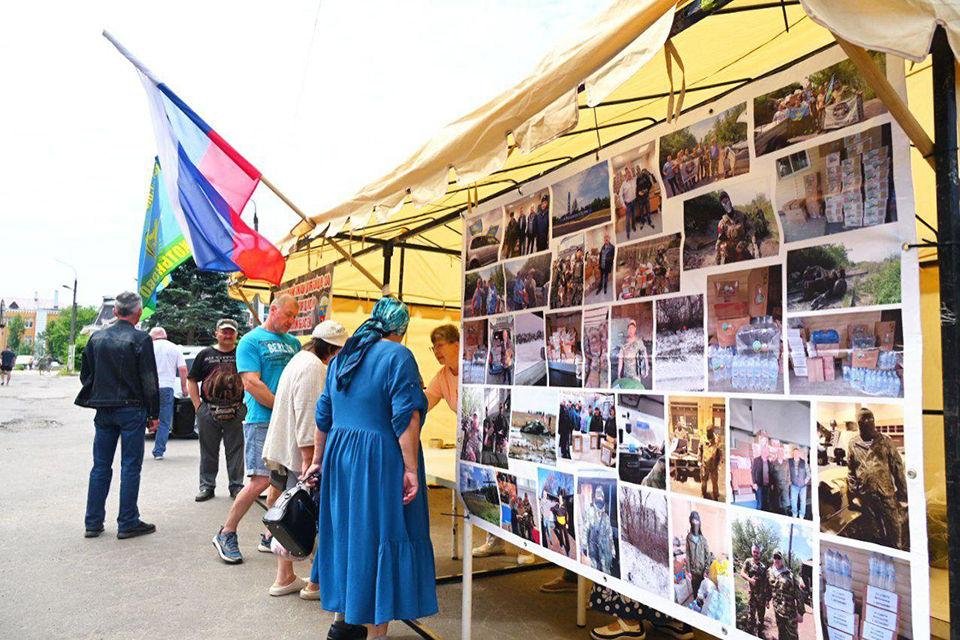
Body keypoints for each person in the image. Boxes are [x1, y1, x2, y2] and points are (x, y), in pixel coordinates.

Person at [305, 297, 438, 639]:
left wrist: (318, 461)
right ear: (401, 329)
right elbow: (405, 416)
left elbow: (323, 415)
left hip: (340, 454)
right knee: (379, 534)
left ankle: (342, 624)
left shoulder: (343, 356)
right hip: (379, 458)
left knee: (349, 536)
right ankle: (375, 633)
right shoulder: (398, 356)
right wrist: (410, 469)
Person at [212, 294, 301, 565]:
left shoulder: (295, 343)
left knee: (282, 479)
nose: (291, 321)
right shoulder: (251, 341)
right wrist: (283, 408)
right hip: (262, 419)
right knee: (260, 480)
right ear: (272, 310)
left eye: (295, 317)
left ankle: (268, 534)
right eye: (288, 315)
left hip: (288, 421)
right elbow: (251, 383)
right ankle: (226, 533)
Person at [262, 320, 347, 599]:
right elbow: (309, 415)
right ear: (332, 350)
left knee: (288, 513)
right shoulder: (314, 367)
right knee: (314, 517)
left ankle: (284, 576)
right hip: (300, 454)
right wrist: (313, 461)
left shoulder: (299, 358)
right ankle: (315, 582)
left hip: (285, 449)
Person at [76, 291, 159, 539]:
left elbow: (86, 375)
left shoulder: (96, 337)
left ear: (114, 311)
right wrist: (154, 413)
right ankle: (127, 521)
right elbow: (149, 380)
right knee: (130, 466)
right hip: (132, 409)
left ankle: (93, 522)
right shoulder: (141, 339)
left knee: (100, 465)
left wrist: (99, 393)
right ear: (138, 313)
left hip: (104, 409)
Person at [189, 319, 246, 502]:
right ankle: (207, 486)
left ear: (236, 335)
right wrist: (198, 406)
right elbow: (192, 380)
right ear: (216, 334)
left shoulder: (242, 354)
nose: (228, 335)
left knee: (236, 450)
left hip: (236, 409)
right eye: (224, 332)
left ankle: (236, 486)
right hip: (209, 409)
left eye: (231, 332)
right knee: (208, 450)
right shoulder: (205, 354)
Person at [846, 407, 908, 549]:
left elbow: (897, 468)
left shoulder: (885, 441)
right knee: (873, 528)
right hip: (866, 494)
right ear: (858, 423)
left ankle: (896, 551)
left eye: (870, 419)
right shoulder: (853, 444)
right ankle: (879, 550)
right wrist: (854, 493)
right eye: (863, 420)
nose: (867, 422)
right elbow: (851, 471)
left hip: (885, 492)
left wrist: (903, 494)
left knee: (893, 525)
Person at [147, 327, 187, 460]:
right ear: (165, 336)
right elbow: (182, 369)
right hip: (166, 388)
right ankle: (158, 451)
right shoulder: (174, 348)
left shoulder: (148, 347)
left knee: (141, 418)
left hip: (148, 388)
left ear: (152, 337)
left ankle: (137, 450)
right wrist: (183, 387)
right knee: (164, 421)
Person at [768, 550, 804, 640]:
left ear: (782, 560)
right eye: (775, 557)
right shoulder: (769, 572)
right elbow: (768, 588)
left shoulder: (789, 575)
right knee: (781, 634)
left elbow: (798, 594)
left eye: (779, 558)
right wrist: (766, 599)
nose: (776, 560)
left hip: (789, 613)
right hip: (777, 611)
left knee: (792, 637)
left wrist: (800, 612)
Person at [739, 544, 770, 637]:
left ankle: (760, 635)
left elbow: (766, 584)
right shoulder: (748, 562)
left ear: (760, 553)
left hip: (762, 597)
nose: (756, 554)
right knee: (751, 617)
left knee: (761, 619)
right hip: (752, 596)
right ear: (752, 552)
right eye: (754, 552)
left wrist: (767, 600)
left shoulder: (763, 567)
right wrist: (750, 580)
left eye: (757, 552)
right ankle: (749, 635)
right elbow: (742, 573)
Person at [685, 511, 713, 597]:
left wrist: (706, 570)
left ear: (699, 522)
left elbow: (708, 556)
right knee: (695, 592)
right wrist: (688, 571)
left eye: (697, 521)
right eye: (693, 521)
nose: (695, 523)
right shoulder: (688, 538)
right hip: (693, 571)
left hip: (702, 571)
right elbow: (688, 555)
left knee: (703, 593)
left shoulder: (703, 540)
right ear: (690, 522)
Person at [615, 320, 648, 389]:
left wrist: (646, 369)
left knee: (636, 391)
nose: (631, 330)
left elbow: (645, 356)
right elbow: (620, 359)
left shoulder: (639, 342)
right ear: (627, 330)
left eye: (632, 328)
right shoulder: (624, 343)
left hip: (636, 375)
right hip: (626, 374)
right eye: (629, 328)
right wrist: (618, 374)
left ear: (635, 329)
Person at [700, 427, 722, 501]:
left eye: (710, 431)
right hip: (705, 465)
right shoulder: (703, 438)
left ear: (713, 431)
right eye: (708, 431)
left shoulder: (716, 440)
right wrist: (699, 460)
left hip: (714, 465)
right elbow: (700, 450)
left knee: (715, 482)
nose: (709, 433)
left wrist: (719, 464)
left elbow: (719, 453)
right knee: (703, 481)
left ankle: (715, 496)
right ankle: (703, 494)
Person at [789, 447, 810, 519]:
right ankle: (794, 514)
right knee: (793, 500)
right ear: (793, 454)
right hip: (794, 485)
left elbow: (809, 473)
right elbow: (787, 472)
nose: (796, 454)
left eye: (797, 453)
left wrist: (805, 481)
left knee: (803, 501)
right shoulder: (789, 462)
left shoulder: (804, 462)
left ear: (799, 454)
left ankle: (802, 515)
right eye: (794, 453)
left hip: (803, 486)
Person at [752, 444, 773, 512]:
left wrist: (772, 484)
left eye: (766, 452)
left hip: (767, 486)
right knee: (760, 503)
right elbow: (753, 472)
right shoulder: (756, 460)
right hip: (759, 485)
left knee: (767, 502)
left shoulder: (769, 462)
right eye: (764, 451)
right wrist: (754, 483)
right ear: (761, 452)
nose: (765, 453)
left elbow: (771, 474)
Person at [772, 447, 792, 516]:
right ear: (777, 454)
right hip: (776, 484)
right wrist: (772, 484)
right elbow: (771, 474)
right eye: (779, 453)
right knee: (778, 500)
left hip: (785, 484)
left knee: (786, 500)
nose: (780, 454)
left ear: (783, 454)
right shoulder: (774, 463)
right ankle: (779, 513)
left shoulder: (786, 463)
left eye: (781, 453)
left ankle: (786, 512)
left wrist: (789, 482)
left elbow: (789, 472)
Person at [619, 167, 637, 239]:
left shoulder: (635, 179)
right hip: (628, 204)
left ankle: (633, 226)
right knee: (627, 218)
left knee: (634, 215)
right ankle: (628, 232)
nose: (629, 174)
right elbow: (620, 194)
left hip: (635, 201)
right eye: (627, 173)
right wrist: (623, 204)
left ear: (631, 172)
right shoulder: (624, 184)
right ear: (625, 175)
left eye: (629, 172)